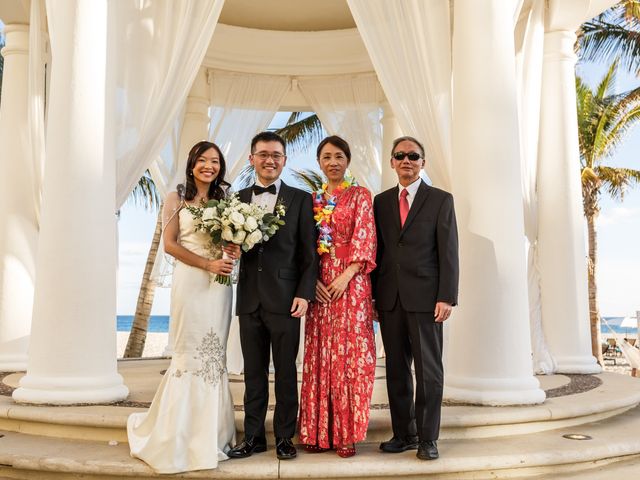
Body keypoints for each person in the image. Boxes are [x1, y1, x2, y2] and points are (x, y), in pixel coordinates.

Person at [127, 141, 239, 473]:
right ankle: (178, 433)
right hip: (191, 281)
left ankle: (214, 433)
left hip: (220, 286)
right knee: (190, 352)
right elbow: (171, 245)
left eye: (215, 161)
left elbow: (232, 244)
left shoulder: (226, 200)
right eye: (203, 160)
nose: (209, 166)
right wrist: (207, 265)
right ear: (191, 165)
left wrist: (233, 247)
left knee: (213, 355)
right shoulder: (176, 198)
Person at [228, 131, 318, 460]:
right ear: (252, 158)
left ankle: (284, 437)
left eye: (277, 155)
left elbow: (310, 255)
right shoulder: (235, 200)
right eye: (263, 154)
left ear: (284, 160)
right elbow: (229, 246)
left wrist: (304, 294)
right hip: (249, 299)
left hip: (286, 301)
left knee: (285, 373)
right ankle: (253, 438)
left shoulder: (301, 199)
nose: (270, 160)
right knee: (253, 375)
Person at [373, 136, 459, 461]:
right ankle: (403, 434)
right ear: (392, 162)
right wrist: (372, 297)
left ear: (423, 162)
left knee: (429, 373)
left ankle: (428, 439)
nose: (406, 161)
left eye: (413, 156)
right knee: (395, 370)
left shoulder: (440, 200)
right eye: (400, 155)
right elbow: (377, 250)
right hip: (389, 298)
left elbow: (449, 251)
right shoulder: (380, 202)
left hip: (426, 299)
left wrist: (447, 296)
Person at [298, 136, 377, 458]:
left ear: (347, 161)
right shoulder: (311, 200)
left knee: (350, 358)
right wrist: (311, 281)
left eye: (339, 156)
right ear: (319, 161)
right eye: (327, 156)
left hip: (353, 283)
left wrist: (346, 275)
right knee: (320, 356)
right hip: (319, 286)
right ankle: (318, 432)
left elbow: (365, 237)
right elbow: (303, 245)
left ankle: (347, 433)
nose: (333, 162)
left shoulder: (360, 196)